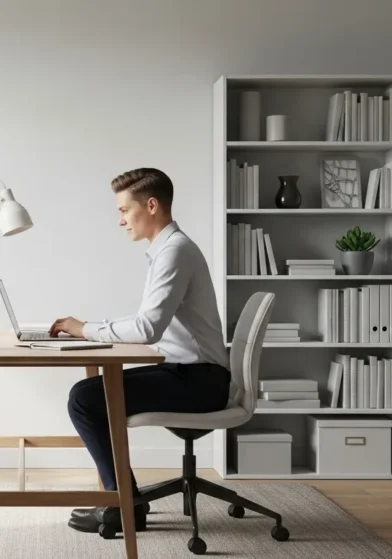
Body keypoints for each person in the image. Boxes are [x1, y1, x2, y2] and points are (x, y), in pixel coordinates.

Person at [47, 167, 231, 534]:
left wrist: (86, 330)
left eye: (123, 210)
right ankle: (125, 502)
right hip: (187, 370)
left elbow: (148, 328)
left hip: (200, 380)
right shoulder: (166, 250)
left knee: (85, 399)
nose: (120, 221)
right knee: (92, 394)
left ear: (150, 206)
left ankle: (123, 507)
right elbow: (147, 321)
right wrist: (91, 330)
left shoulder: (174, 251)